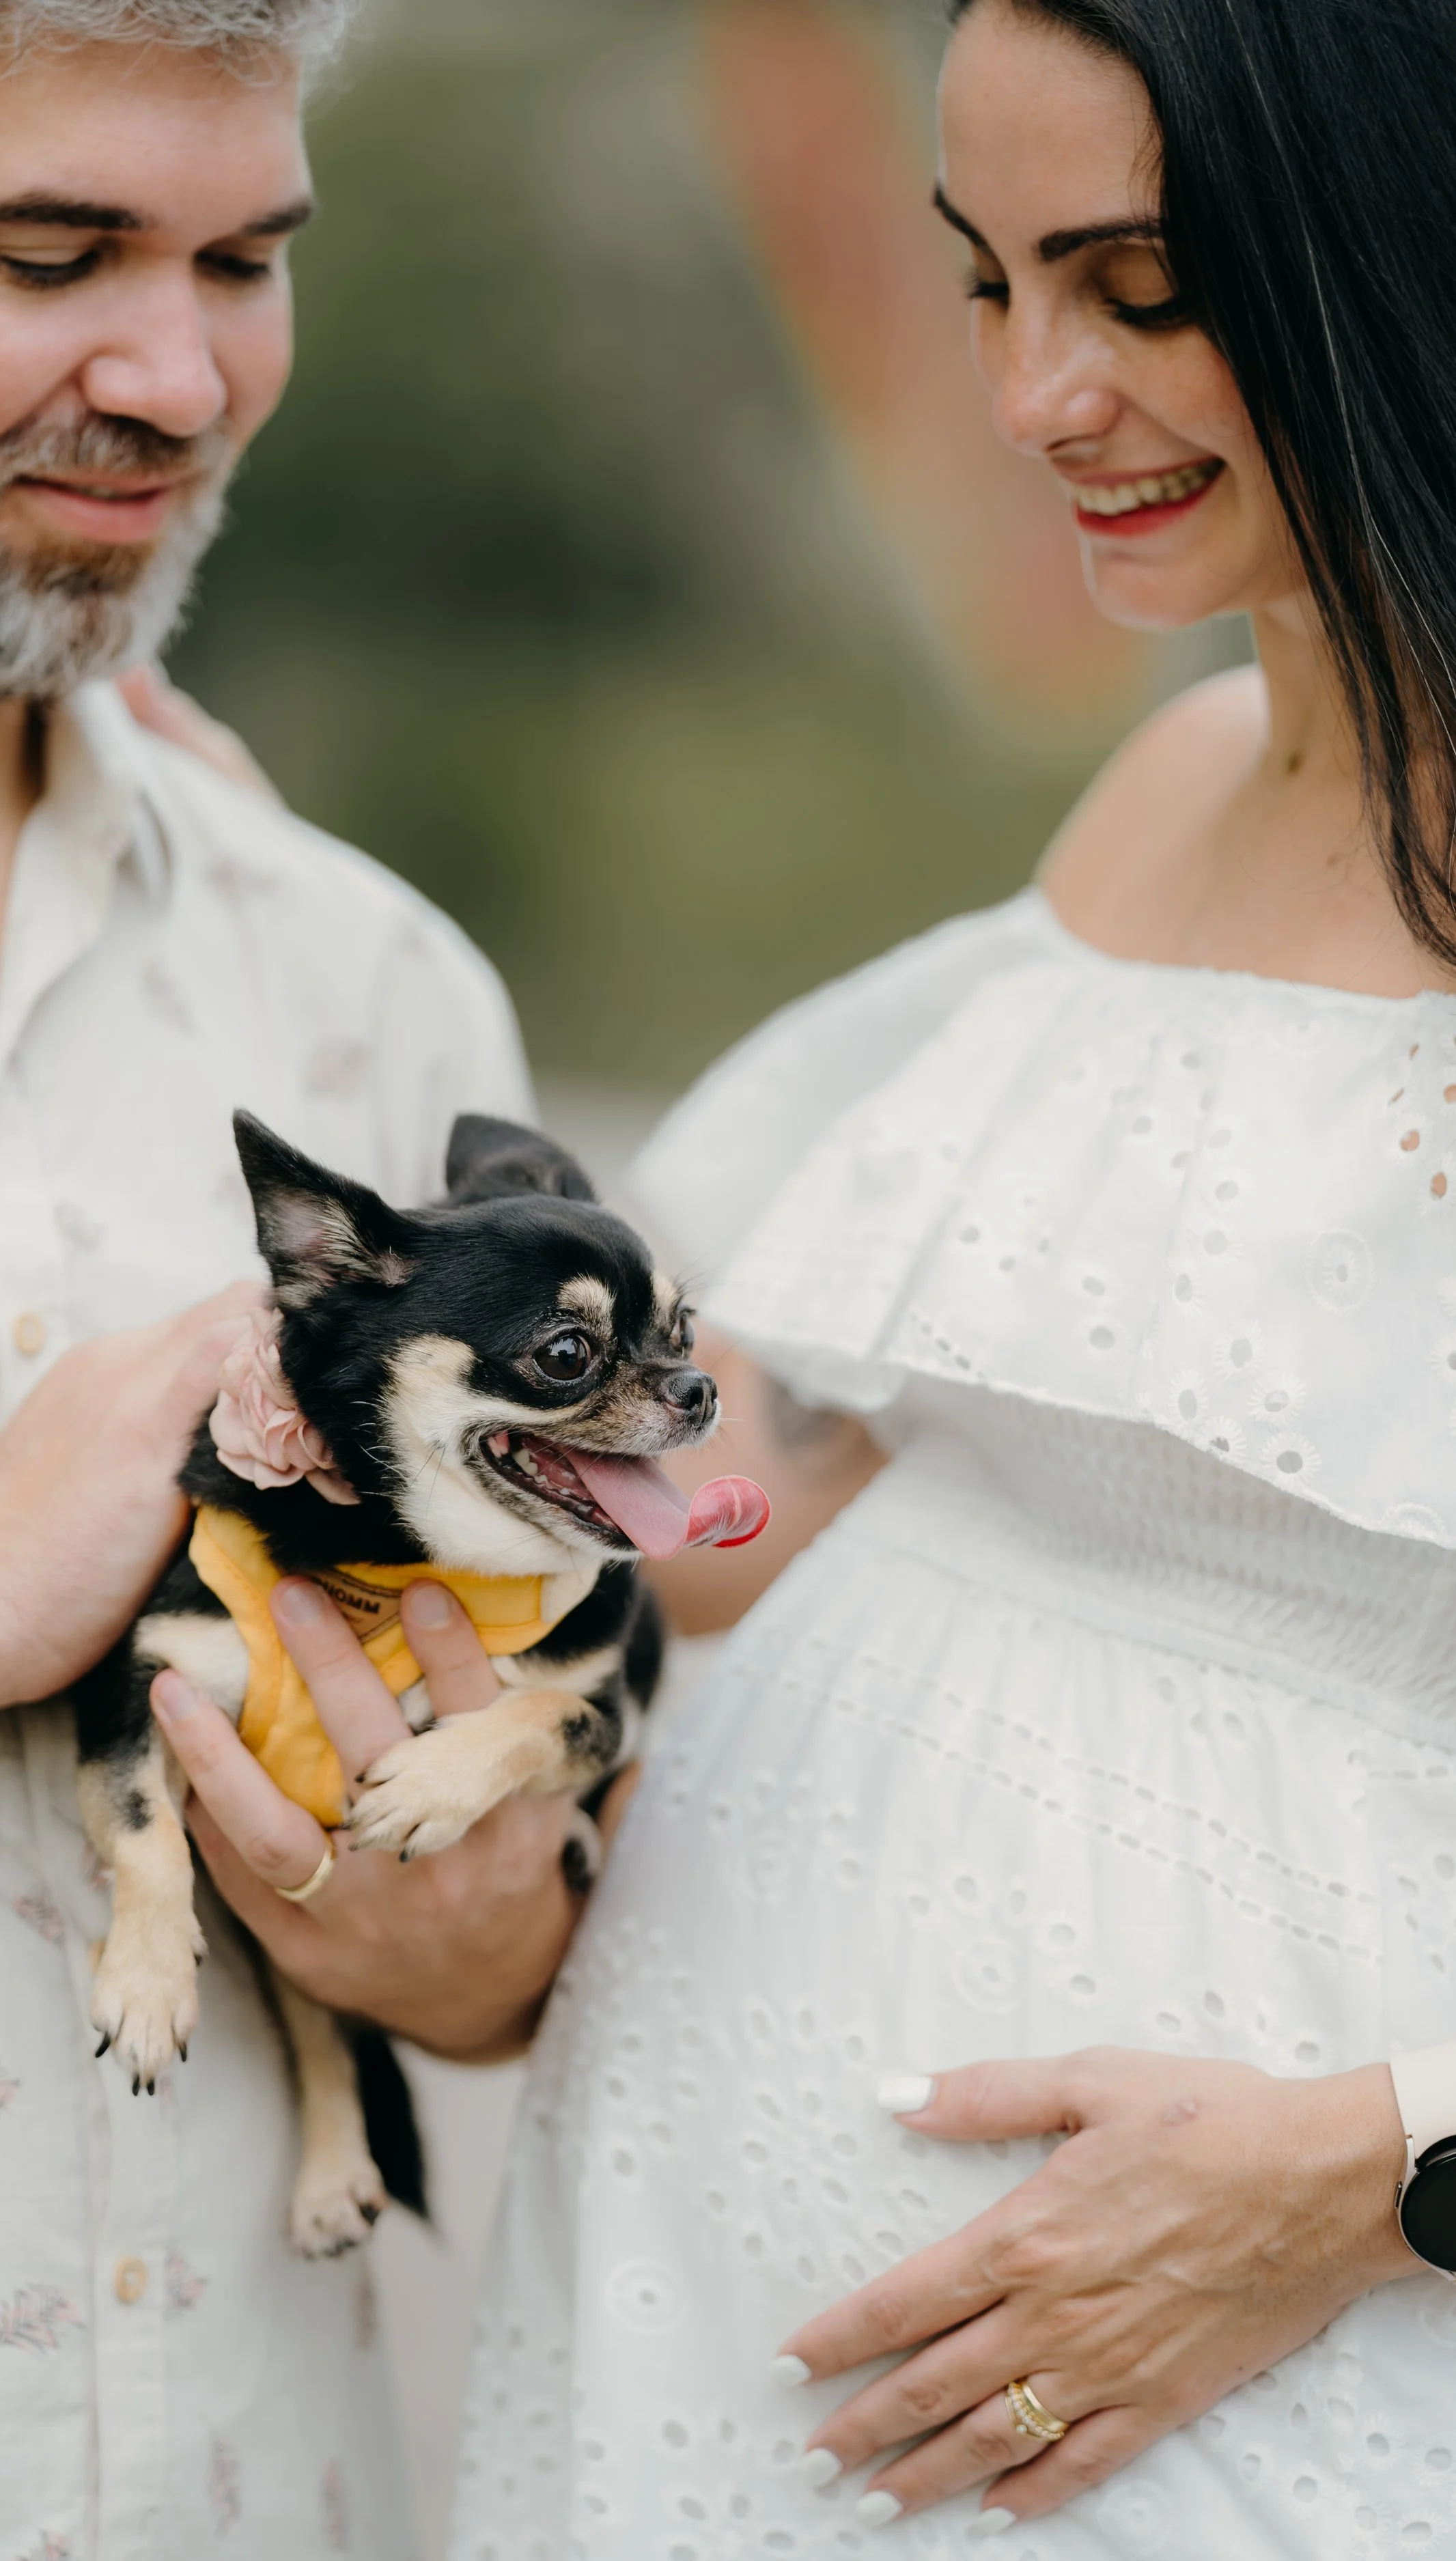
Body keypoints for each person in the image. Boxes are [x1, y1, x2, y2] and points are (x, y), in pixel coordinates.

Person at [436, 1, 1456, 2551]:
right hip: (692, 2317)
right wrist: (513, 1562)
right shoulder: (1166, 786)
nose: (1024, 393)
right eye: (985, 281)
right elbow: (810, 1474)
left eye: (1131, 286)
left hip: (1258, 2379)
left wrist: (1381, 2170)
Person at [0, 7, 587, 2556]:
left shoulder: (369, 1000)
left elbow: (523, 1891)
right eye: (51, 253)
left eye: (245, 259)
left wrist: (471, 1935)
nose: (180, 371)